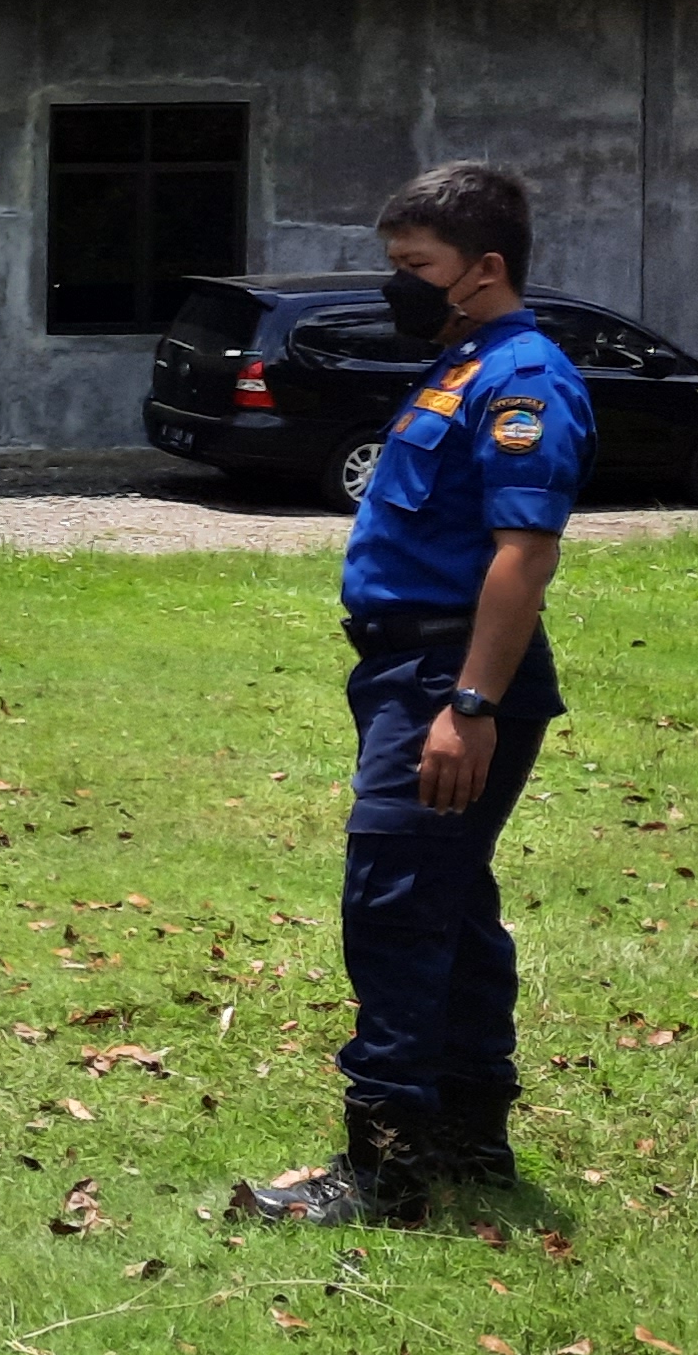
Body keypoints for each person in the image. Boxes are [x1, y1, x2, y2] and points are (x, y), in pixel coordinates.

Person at [234, 163, 590, 1228]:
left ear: (483, 269)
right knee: (451, 902)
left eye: (414, 269)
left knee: (392, 905)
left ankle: (384, 1166)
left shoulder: (521, 379)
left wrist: (467, 707)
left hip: (450, 678)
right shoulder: (460, 364)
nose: (396, 287)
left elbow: (523, 554)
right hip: (406, 668)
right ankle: (467, 1134)